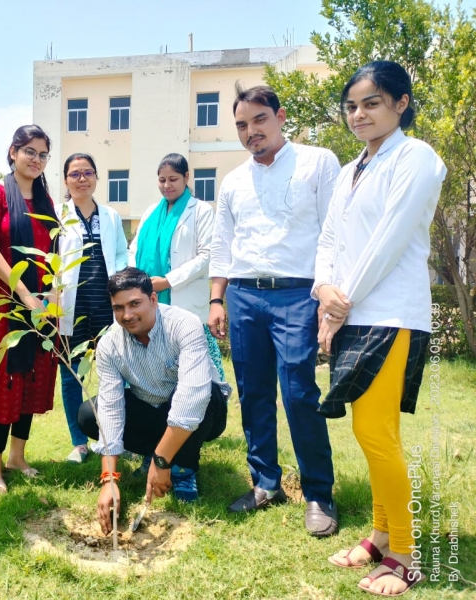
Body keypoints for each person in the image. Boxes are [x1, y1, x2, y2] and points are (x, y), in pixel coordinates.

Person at [317, 61, 445, 597]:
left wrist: (338, 304)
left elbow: (388, 241)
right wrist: (324, 289)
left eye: (371, 103)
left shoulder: (417, 158)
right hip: (352, 310)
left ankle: (406, 556)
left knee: (376, 433)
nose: (359, 114)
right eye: (351, 106)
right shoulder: (351, 169)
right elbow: (329, 238)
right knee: (368, 433)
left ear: (401, 103)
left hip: (390, 314)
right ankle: (379, 536)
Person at [208, 84, 341, 537]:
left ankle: (319, 492)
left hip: (298, 293)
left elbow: (334, 232)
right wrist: (217, 298)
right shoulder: (233, 181)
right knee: (253, 392)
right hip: (244, 295)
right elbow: (222, 243)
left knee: (299, 392)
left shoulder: (317, 162)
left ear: (280, 117)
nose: (251, 131)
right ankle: (265, 482)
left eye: (259, 120)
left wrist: (327, 295)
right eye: (242, 125)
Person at [77, 268, 227, 530]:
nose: (127, 315)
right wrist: (109, 479)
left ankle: (183, 468)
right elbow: (111, 409)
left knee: (202, 395)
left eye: (135, 304)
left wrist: (162, 460)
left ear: (154, 300)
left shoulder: (184, 324)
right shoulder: (110, 345)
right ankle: (156, 454)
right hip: (151, 408)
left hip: (203, 413)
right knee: (91, 413)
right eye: (118, 308)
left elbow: (192, 398)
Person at [0, 125, 59, 495]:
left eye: (42, 154)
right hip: (5, 302)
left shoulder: (46, 202)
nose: (36, 159)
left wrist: (51, 295)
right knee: (3, 380)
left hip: (41, 302)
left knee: (31, 377)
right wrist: (25, 295)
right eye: (29, 151)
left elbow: (52, 254)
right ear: (13, 152)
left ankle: (18, 456)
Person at [55, 153, 128, 464]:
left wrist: (120, 284)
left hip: (106, 307)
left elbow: (122, 254)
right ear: (66, 180)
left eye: (87, 172)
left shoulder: (111, 216)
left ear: (97, 177)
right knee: (72, 375)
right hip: (71, 308)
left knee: (116, 374)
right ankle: (79, 443)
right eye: (75, 174)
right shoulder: (57, 215)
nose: (81, 179)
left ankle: (115, 437)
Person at [130, 153, 226, 382]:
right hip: (148, 298)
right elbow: (134, 249)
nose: (167, 185)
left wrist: (168, 281)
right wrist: (137, 282)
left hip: (183, 300)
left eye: (173, 179)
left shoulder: (201, 210)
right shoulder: (150, 212)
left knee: (193, 373)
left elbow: (207, 255)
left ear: (186, 177)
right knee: (152, 376)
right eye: (162, 180)